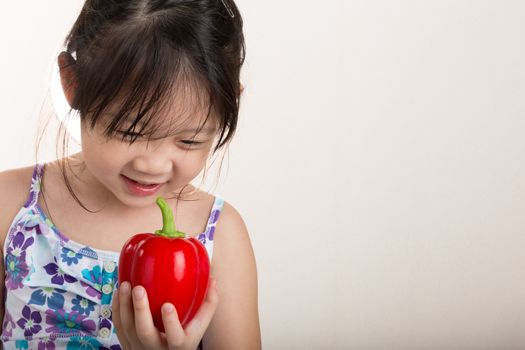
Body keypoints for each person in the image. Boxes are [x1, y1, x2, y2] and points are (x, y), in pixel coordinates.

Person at [0, 0, 261, 349]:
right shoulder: (12, 207)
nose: (153, 165)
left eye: (188, 140)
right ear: (71, 83)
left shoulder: (219, 236)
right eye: (129, 133)